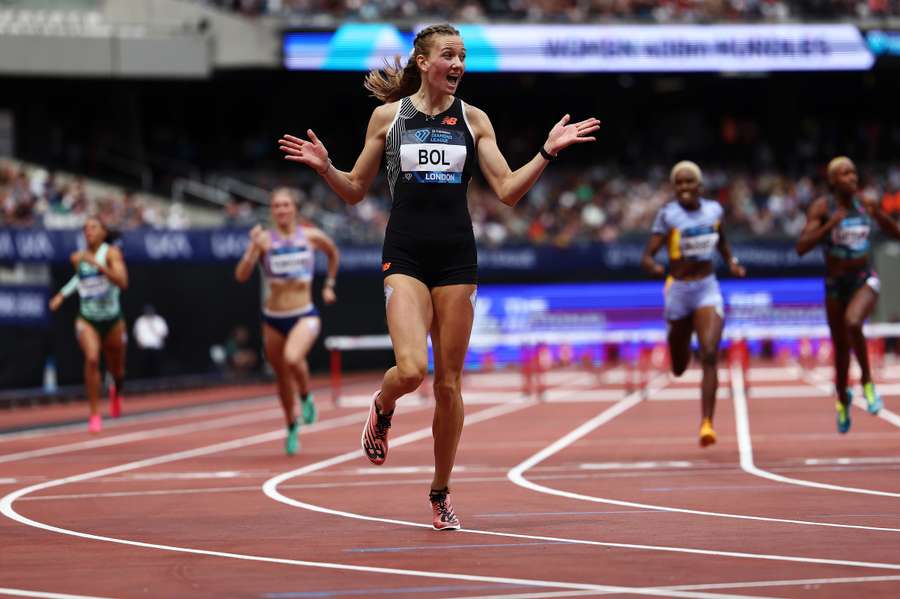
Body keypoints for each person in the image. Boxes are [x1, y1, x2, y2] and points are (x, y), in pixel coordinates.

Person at [278, 23, 599, 530]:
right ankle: (383, 407)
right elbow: (355, 190)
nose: (459, 64)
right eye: (450, 55)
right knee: (411, 371)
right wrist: (325, 168)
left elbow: (509, 191)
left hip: (456, 259)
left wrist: (546, 152)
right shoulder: (388, 118)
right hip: (404, 254)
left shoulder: (473, 120)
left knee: (448, 384)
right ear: (424, 62)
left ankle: (441, 491)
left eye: (464, 56)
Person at [641, 161, 745, 447]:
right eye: (680, 184)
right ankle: (679, 346)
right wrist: (652, 265)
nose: (685, 188)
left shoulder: (714, 211)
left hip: (706, 289)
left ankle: (707, 423)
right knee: (677, 366)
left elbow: (722, 242)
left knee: (710, 353)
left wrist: (732, 263)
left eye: (690, 183)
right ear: (675, 189)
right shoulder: (668, 215)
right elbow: (648, 254)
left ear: (700, 187)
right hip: (678, 292)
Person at [796, 156, 900, 433]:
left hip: (864, 278)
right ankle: (843, 399)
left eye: (853, 172)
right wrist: (829, 226)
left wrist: (878, 213)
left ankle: (867, 382)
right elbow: (801, 247)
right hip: (835, 284)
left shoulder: (866, 204)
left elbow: (896, 232)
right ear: (832, 181)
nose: (852, 178)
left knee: (853, 322)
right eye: (844, 174)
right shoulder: (822, 207)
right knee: (841, 350)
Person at [235, 187, 340, 456]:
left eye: (286, 205)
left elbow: (332, 253)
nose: (281, 210)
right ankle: (291, 426)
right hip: (273, 318)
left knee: (293, 359)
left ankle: (306, 397)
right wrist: (251, 249)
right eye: (276, 206)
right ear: (272, 211)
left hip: (304, 313)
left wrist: (329, 284)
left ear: (294, 209)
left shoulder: (311, 236)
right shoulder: (264, 241)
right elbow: (241, 276)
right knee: (281, 376)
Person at [48, 217, 128, 433]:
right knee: (92, 359)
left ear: (103, 232)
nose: (88, 231)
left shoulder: (111, 254)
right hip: (88, 318)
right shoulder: (78, 257)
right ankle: (94, 414)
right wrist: (61, 295)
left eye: (94, 227)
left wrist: (100, 267)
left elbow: (123, 282)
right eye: (85, 228)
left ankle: (116, 389)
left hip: (112, 320)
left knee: (117, 370)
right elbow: (79, 279)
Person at [133, 304, 168, 378]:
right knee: (145, 366)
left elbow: (164, 333)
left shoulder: (158, 320)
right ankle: (145, 381)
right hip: (144, 347)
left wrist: (153, 327)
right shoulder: (140, 321)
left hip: (156, 347)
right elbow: (137, 333)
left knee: (158, 366)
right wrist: (139, 343)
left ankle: (159, 380)